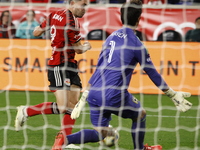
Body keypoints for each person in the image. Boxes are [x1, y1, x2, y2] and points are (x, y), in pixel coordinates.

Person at [50, 0, 193, 150]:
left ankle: (63, 141)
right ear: (139, 19)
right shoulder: (137, 45)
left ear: (121, 17)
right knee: (140, 115)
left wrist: (85, 95)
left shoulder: (111, 37)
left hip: (94, 94)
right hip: (113, 94)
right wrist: (171, 94)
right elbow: (152, 73)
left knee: (101, 134)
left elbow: (99, 67)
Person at [14, 0, 91, 149]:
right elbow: (79, 50)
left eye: (86, 6)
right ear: (72, 2)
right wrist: (87, 46)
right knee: (64, 107)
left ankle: (65, 142)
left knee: (73, 106)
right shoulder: (71, 21)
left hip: (70, 65)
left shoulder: (55, 14)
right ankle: (26, 111)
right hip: (58, 65)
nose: (85, 9)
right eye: (82, 5)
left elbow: (36, 32)